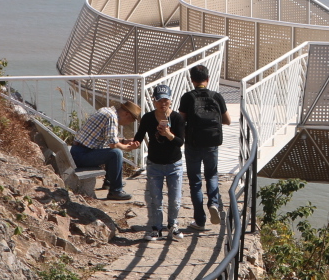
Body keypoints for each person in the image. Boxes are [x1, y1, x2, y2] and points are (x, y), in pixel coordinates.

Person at [177, 64, 231, 232]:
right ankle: (214, 203)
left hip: (193, 144)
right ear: (208, 79)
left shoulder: (187, 97)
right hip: (212, 144)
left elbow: (180, 120)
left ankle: (200, 221)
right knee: (212, 175)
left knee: (195, 182)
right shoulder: (217, 96)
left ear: (192, 80)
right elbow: (228, 120)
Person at [132, 85, 187, 238]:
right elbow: (139, 135)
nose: (163, 103)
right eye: (159, 100)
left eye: (166, 100)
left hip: (174, 164)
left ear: (170, 100)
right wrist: (132, 144)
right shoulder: (148, 118)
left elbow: (180, 142)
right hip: (154, 164)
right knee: (156, 199)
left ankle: (173, 225)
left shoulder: (177, 118)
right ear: (154, 101)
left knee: (175, 199)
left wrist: (168, 134)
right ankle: (156, 228)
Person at [68, 102, 134, 201]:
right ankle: (115, 191)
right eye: (130, 121)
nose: (127, 124)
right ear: (126, 114)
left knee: (111, 151)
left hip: (78, 151)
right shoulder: (112, 117)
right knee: (116, 153)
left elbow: (108, 138)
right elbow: (113, 144)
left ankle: (110, 182)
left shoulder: (106, 111)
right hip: (81, 155)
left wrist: (124, 141)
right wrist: (126, 147)